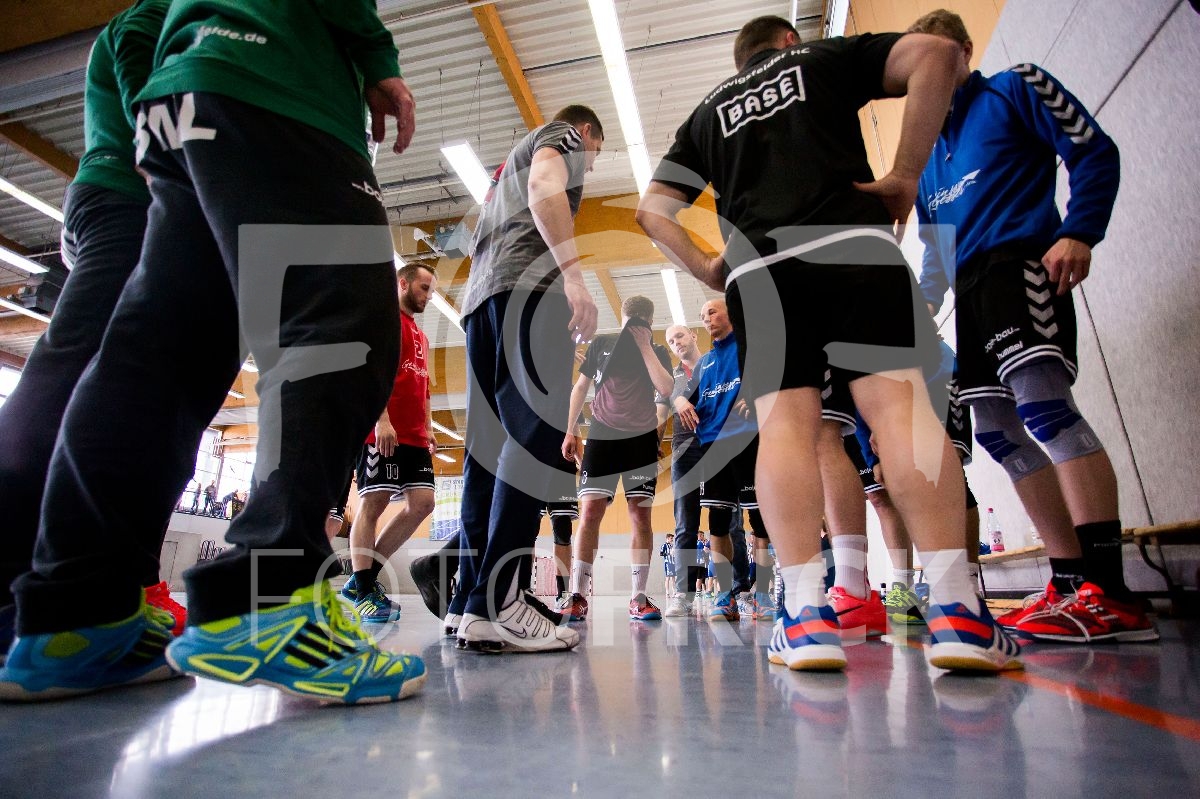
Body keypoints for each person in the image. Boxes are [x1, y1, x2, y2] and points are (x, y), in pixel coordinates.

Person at [0, 0, 425, 703]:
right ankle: (269, 596)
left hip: (184, 93)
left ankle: (81, 612)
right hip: (274, 78)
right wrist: (377, 57)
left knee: (166, 348)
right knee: (342, 327)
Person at [637, 15, 1022, 672]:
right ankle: (959, 611)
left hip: (761, 269)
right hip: (852, 243)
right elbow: (934, 53)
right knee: (899, 410)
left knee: (786, 427)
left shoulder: (706, 114)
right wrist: (906, 174)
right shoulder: (823, 58)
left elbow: (651, 210)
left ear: (739, 62)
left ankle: (807, 617)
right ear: (789, 40)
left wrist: (707, 265)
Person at [909, 9, 1155, 643]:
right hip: (971, 295)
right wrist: (914, 313)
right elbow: (935, 256)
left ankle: (1112, 593)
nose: (928, 70)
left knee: (1046, 411)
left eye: (939, 53)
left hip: (1021, 266)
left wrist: (1080, 230)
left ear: (965, 51)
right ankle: (1070, 581)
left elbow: (1093, 150)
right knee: (998, 434)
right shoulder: (929, 161)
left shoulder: (1014, 87)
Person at [0, 1, 183, 663]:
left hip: (129, 204)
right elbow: (146, 91)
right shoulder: (151, 16)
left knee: (131, 393)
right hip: (125, 199)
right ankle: (10, 586)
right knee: (71, 362)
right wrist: (171, 163)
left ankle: (125, 588)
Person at [449, 105, 603, 654]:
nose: (590, 164)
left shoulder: (500, 177)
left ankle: (468, 604)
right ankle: (499, 602)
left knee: (485, 451)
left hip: (480, 303)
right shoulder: (563, 136)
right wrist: (573, 278)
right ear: (586, 133)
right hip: (528, 294)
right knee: (534, 435)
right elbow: (544, 185)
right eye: (595, 154)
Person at [557, 295, 674, 623]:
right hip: (602, 438)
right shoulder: (602, 344)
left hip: (640, 442)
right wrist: (570, 430)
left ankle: (638, 597)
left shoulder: (658, 350)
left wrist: (645, 346)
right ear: (622, 319)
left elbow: (666, 388)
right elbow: (580, 388)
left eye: (640, 321)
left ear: (649, 322)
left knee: (640, 515)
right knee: (590, 512)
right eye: (630, 321)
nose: (634, 324)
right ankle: (577, 595)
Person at [341, 262, 438, 623]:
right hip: (382, 430)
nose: (428, 296)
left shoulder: (421, 336)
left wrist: (428, 427)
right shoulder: (382, 323)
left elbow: (424, 387)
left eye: (431, 290)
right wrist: (381, 419)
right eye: (424, 288)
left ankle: (361, 580)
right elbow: (370, 374)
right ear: (403, 283)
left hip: (414, 435)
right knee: (374, 503)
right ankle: (365, 589)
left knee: (423, 504)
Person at [671, 299, 772, 623]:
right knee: (718, 521)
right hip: (713, 447)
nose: (707, 319)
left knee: (758, 520)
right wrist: (681, 400)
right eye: (702, 316)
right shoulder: (705, 364)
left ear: (730, 312)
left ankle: (763, 594)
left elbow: (773, 375)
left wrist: (754, 395)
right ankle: (725, 595)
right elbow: (684, 395)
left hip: (748, 439)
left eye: (712, 312)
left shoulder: (749, 347)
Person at [659, 533, 677, 599]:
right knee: (668, 578)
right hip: (668, 564)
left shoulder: (672, 545)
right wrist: (668, 553)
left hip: (673, 563)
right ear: (667, 538)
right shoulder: (664, 545)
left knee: (673, 578)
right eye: (671, 538)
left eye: (672, 538)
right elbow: (661, 553)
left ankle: (674, 592)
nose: (672, 539)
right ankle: (667, 593)